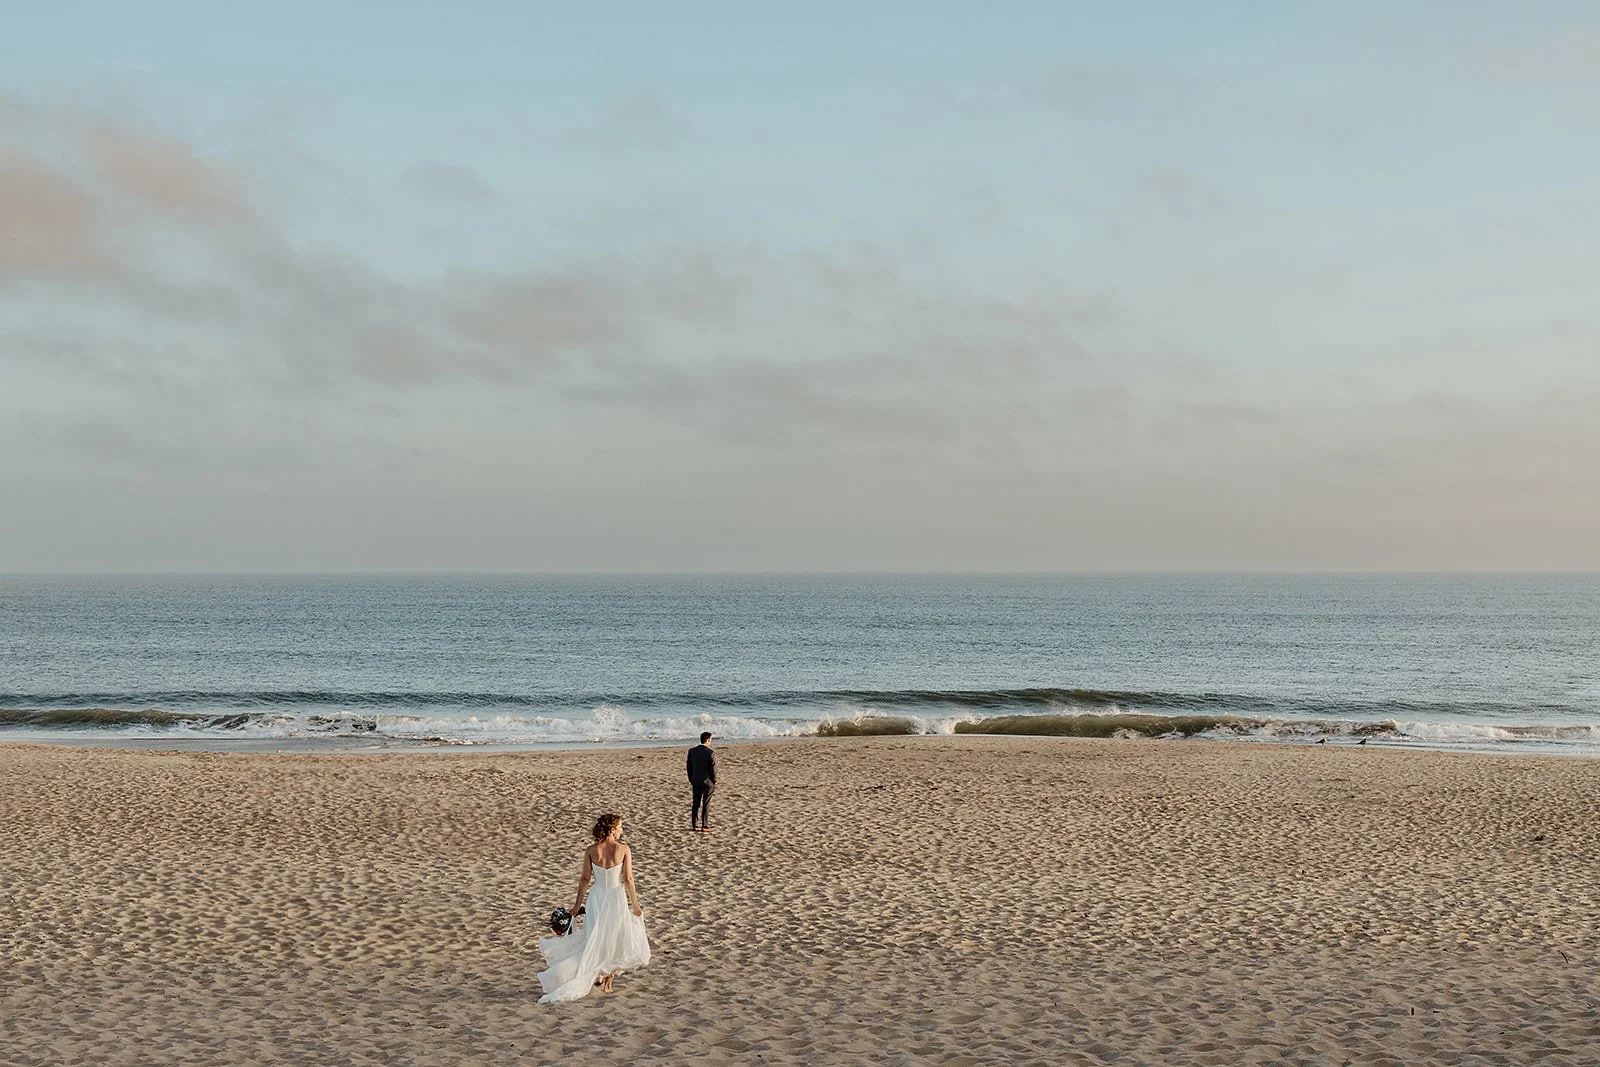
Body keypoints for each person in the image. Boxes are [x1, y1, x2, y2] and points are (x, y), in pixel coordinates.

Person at [536, 813, 650, 1002]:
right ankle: (607, 980)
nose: (622, 830)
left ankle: (598, 973)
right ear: (612, 829)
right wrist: (635, 904)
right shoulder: (623, 849)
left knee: (594, 936)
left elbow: (585, 879)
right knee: (612, 936)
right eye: (620, 827)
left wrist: (577, 905)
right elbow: (628, 879)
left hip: (597, 896)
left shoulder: (591, 850)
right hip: (615, 897)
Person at [687, 731, 716, 832]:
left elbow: (689, 767)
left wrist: (691, 779)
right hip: (707, 781)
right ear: (707, 740)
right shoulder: (710, 752)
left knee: (696, 803)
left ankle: (694, 824)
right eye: (710, 740)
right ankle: (705, 824)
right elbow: (712, 769)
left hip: (695, 780)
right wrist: (714, 780)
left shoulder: (692, 751)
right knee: (706, 803)